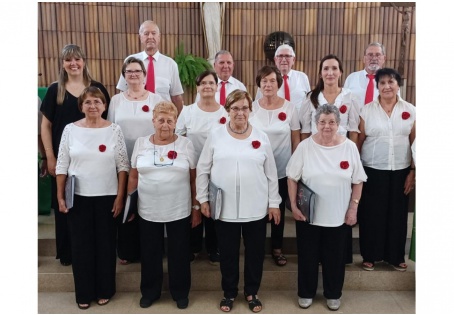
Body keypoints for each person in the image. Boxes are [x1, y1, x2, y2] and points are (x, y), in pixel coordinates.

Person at [196, 90, 281, 313]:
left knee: (254, 253)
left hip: (256, 206)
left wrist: (274, 203)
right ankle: (229, 293)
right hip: (225, 208)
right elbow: (203, 170)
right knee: (228, 254)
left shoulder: (261, 137)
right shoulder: (216, 136)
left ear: (250, 110)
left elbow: (271, 173)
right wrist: (203, 199)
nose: (240, 112)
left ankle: (252, 291)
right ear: (227, 111)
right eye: (235, 108)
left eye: (244, 108)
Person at [286, 104, 367, 311]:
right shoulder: (305, 146)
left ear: (339, 124)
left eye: (332, 122)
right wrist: (293, 205)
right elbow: (292, 177)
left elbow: (358, 180)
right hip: (308, 215)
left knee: (335, 258)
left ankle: (333, 293)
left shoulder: (349, 147)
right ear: (316, 124)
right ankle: (306, 293)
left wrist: (353, 208)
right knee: (307, 256)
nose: (327, 126)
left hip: (338, 215)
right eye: (322, 122)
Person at [55, 86, 129, 310]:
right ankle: (84, 293)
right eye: (88, 102)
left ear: (105, 106)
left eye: (97, 102)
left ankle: (105, 289)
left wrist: (120, 197)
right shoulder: (70, 129)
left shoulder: (114, 130)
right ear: (81, 106)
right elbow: (62, 165)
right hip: (78, 198)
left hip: (107, 196)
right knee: (81, 247)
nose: (93, 106)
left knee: (105, 246)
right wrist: (60, 197)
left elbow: (123, 166)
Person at [40, 44, 111, 266]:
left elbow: (107, 124)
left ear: (84, 61)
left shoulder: (96, 89)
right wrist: (50, 157)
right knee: (65, 205)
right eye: (68, 60)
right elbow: (45, 126)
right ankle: (68, 252)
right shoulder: (55, 90)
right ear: (62, 64)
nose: (73, 64)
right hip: (64, 161)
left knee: (91, 210)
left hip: (94, 163)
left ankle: (93, 251)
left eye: (77, 59)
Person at [128, 101, 196, 310]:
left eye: (169, 120)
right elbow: (133, 176)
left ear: (176, 122)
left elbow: (193, 179)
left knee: (180, 254)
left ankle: (180, 292)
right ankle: (150, 292)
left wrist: (196, 207)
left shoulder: (186, 144)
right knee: (150, 253)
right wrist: (130, 204)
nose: (165, 125)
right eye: (161, 120)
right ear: (153, 121)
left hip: (179, 209)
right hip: (148, 210)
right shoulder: (141, 143)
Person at [357, 68, 416, 272]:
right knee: (371, 213)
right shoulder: (367, 110)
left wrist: (413, 171)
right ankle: (370, 255)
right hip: (373, 169)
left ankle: (395, 256)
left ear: (398, 85)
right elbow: (360, 140)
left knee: (397, 214)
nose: (387, 86)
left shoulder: (411, 110)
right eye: (382, 83)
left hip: (400, 169)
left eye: (391, 82)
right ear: (377, 87)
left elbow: (415, 142)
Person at [108, 56, 163, 265]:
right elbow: (111, 129)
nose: (133, 74)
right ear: (124, 76)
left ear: (144, 75)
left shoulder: (155, 99)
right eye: (129, 71)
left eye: (137, 71)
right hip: (123, 159)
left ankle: (150, 249)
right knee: (126, 201)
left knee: (147, 203)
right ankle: (127, 250)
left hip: (149, 159)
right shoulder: (116, 100)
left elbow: (162, 129)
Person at [249, 65, 300, 267]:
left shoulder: (290, 107)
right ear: (259, 84)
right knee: (259, 211)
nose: (268, 84)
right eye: (264, 81)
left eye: (272, 80)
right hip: (257, 170)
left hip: (282, 168)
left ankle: (277, 248)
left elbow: (295, 138)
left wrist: (294, 165)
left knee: (277, 208)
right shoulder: (252, 107)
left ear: (278, 83)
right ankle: (258, 247)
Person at [176, 70, 229, 264]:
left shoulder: (226, 112)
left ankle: (214, 248)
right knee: (194, 206)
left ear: (217, 86)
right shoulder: (188, 111)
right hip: (193, 168)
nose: (207, 86)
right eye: (203, 83)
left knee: (215, 208)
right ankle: (194, 246)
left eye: (211, 83)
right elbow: (179, 138)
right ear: (197, 87)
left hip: (218, 170)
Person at [116, 20, 184, 114]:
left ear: (159, 37)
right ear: (140, 37)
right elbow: (122, 92)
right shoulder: (130, 61)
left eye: (154, 33)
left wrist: (178, 123)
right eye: (146, 33)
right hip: (135, 115)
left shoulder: (171, 64)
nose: (150, 37)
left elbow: (176, 97)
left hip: (163, 118)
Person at [255, 44, 310, 111]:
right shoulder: (266, 79)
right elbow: (257, 105)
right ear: (275, 59)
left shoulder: (302, 77)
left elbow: (308, 103)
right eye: (280, 56)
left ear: (293, 60)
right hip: (274, 119)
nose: (284, 60)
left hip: (299, 120)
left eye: (287, 56)